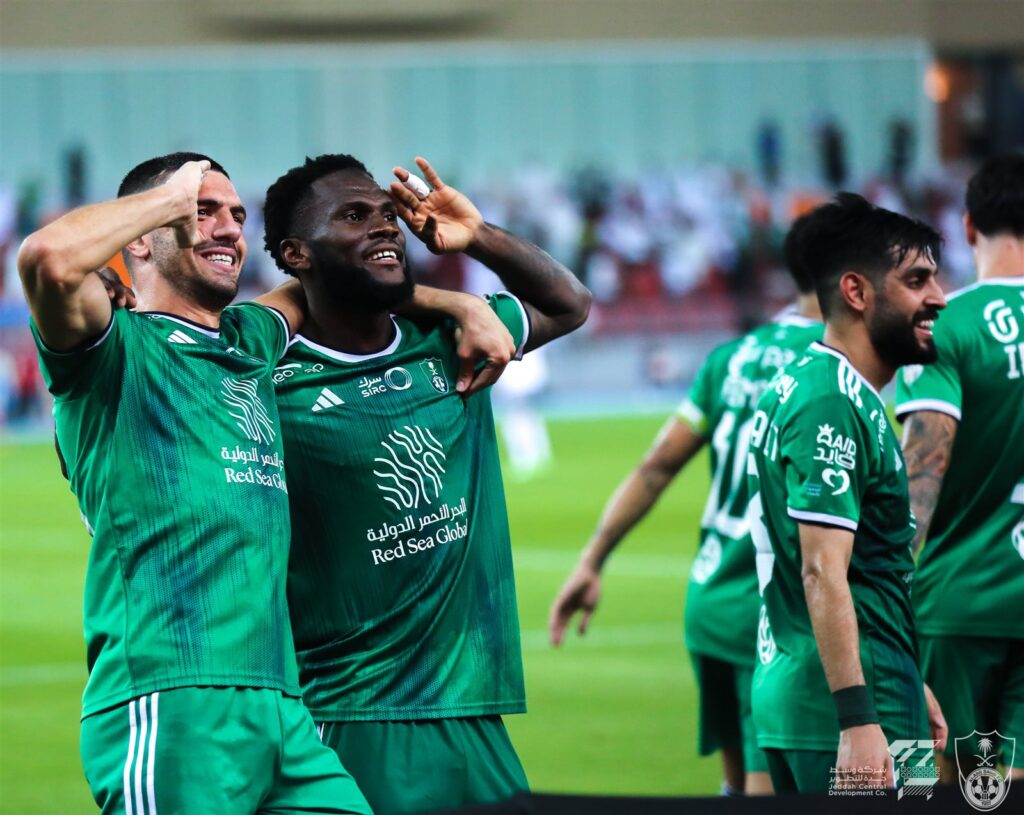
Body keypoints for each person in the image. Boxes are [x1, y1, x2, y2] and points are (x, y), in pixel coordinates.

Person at [18, 152, 503, 814]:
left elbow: (329, 286)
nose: (228, 227)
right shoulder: (112, 350)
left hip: (282, 708)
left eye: (236, 215)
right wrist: (168, 202)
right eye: (203, 212)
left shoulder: (250, 340)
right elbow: (47, 259)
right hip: (173, 696)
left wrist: (456, 301)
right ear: (142, 239)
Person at [262, 154, 591, 815]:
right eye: (354, 216)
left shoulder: (452, 336)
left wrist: (477, 237)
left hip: (475, 710)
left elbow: (570, 303)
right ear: (296, 253)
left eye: (388, 214)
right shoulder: (269, 382)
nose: (385, 226)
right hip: (353, 715)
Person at [548, 212, 825, 796]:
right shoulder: (838, 363)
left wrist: (592, 559)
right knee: (780, 787)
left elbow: (655, 467)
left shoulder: (733, 356)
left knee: (736, 783)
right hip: (778, 609)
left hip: (712, 600)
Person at [746, 193, 948, 793]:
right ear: (857, 292)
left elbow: (866, 572)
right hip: (849, 712)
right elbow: (821, 570)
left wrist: (907, 673)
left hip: (866, 688)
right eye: (917, 281)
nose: (939, 298)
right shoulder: (832, 400)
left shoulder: (820, 386)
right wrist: (859, 717)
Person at [896, 154, 1024, 783]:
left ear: (968, 225)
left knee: (947, 787)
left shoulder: (943, 326)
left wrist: (882, 588)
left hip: (958, 603)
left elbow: (925, 460)